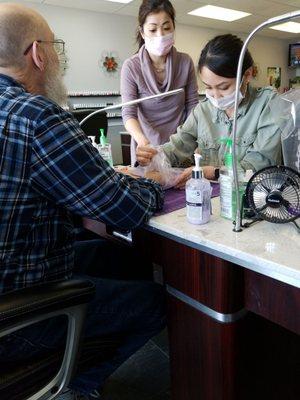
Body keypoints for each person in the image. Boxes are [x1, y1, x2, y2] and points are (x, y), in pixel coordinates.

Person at [0, 3, 165, 400]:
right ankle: (78, 383)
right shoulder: (37, 116)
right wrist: (153, 182)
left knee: (123, 258)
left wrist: (105, 180)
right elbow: (124, 209)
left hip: (18, 272)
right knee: (158, 302)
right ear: (38, 53)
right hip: (19, 314)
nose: (57, 57)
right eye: (56, 46)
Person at [136, 34, 282, 187]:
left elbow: (259, 164)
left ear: (247, 75)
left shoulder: (268, 104)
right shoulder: (203, 110)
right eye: (208, 87)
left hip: (255, 197)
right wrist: (155, 155)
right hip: (211, 198)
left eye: (224, 87)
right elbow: (178, 145)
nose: (216, 96)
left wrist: (215, 172)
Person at [120, 0, 199, 165]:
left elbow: (193, 107)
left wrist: (191, 140)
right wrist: (142, 141)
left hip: (181, 147)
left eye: (166, 27)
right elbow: (129, 113)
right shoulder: (131, 67)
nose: (160, 35)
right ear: (142, 33)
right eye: (153, 29)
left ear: (173, 27)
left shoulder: (185, 62)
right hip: (148, 149)